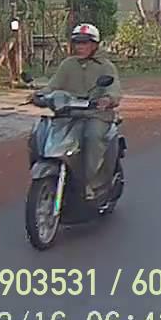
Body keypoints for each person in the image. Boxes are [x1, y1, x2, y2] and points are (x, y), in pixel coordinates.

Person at [39, 23, 122, 200]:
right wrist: (41, 94)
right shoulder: (68, 64)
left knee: (92, 136)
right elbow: (53, 85)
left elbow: (114, 89)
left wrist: (108, 100)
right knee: (44, 130)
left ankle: (91, 183)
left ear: (94, 45)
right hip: (69, 113)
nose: (80, 46)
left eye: (85, 43)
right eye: (77, 42)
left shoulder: (105, 66)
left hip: (96, 115)